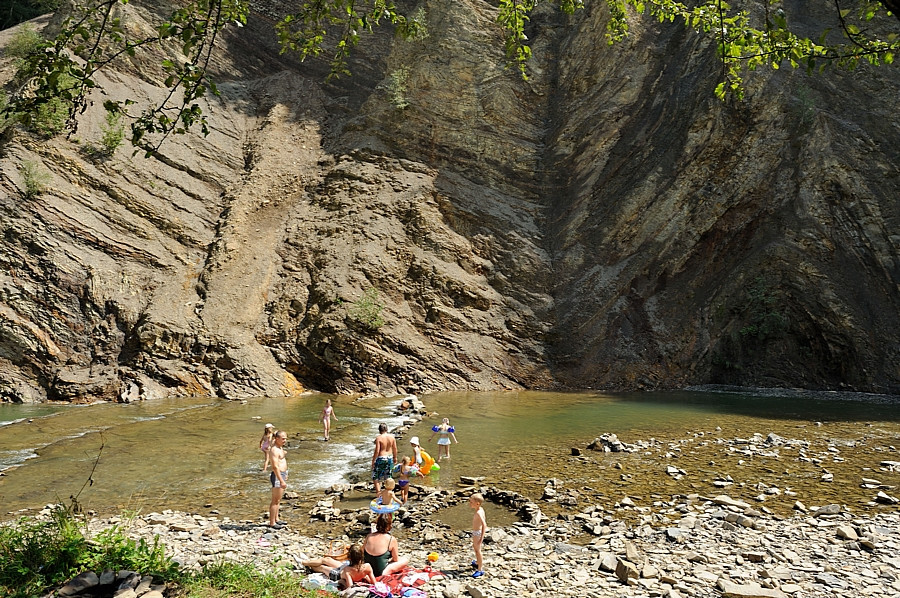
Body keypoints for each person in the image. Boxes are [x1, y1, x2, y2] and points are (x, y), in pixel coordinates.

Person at [267, 430, 288, 528]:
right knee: (275, 500)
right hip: (277, 475)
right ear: (277, 439)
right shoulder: (274, 450)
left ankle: (277, 519)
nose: (285, 440)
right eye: (283, 439)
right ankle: (272, 523)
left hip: (282, 474)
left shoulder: (280, 447)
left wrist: (285, 474)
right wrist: (281, 480)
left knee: (278, 499)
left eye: (285, 438)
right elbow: (275, 467)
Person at [372, 423, 397, 494]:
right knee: (388, 477)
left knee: (376, 477)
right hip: (390, 457)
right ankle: (389, 494)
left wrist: (373, 461)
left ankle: (379, 494)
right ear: (387, 429)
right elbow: (395, 448)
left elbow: (377, 451)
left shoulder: (379, 438)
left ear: (379, 430)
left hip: (381, 458)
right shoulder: (392, 437)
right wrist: (395, 457)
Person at [469, 492, 487, 578]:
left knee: (478, 550)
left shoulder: (479, 513)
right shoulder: (480, 509)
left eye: (471, 502)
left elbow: (484, 525)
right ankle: (477, 562)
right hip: (476, 533)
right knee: (475, 548)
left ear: (477, 503)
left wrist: (481, 539)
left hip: (478, 533)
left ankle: (480, 569)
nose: (470, 503)